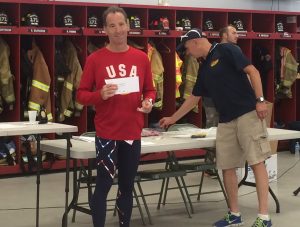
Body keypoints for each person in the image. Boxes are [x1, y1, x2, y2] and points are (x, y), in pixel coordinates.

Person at [160, 28, 272, 227]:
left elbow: (252, 71)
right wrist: (173, 118)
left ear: (195, 42)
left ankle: (264, 217)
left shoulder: (227, 50)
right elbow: (194, 97)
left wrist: (261, 100)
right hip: (226, 120)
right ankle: (234, 214)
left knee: (257, 162)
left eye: (186, 49)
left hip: (247, 113)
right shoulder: (203, 68)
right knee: (227, 166)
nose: (187, 54)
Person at [76, 6, 155, 227]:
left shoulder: (141, 58)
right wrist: (99, 95)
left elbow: (150, 89)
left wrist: (148, 102)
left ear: (128, 26)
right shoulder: (95, 59)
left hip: (132, 133)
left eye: (121, 24)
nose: (118, 30)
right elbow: (81, 95)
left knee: (127, 186)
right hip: (107, 133)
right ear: (105, 30)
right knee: (103, 184)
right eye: (112, 26)